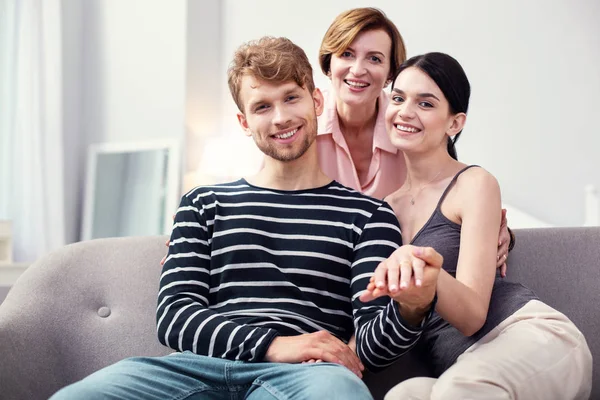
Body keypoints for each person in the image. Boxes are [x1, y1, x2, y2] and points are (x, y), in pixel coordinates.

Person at [50, 37, 444, 400]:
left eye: (291, 98)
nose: (280, 119)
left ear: (316, 101)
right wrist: (276, 345)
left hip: (307, 376)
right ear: (244, 122)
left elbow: (371, 345)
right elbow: (175, 316)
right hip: (195, 369)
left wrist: (411, 308)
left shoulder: (368, 216)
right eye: (262, 106)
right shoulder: (202, 204)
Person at [360, 52, 592, 400]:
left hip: (527, 337)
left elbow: (471, 315)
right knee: (403, 395)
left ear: (455, 123)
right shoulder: (383, 210)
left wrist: (424, 268)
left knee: (461, 390)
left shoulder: (474, 183)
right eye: (398, 98)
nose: (405, 111)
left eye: (425, 103)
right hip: (462, 367)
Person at [316, 7, 513, 274]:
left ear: (389, 74)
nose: (358, 69)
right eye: (346, 54)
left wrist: (497, 233)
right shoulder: (302, 128)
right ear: (329, 63)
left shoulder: (409, 129)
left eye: (374, 58)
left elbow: (447, 200)